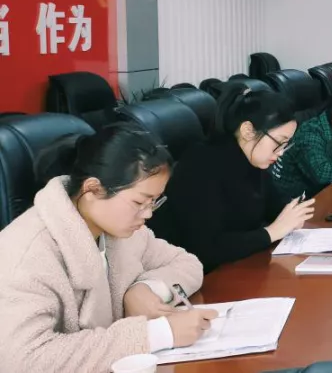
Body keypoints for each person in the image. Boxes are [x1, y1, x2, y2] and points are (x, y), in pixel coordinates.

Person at [0, 125, 216, 372]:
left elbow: (187, 263)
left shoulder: (121, 230)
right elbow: (21, 360)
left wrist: (144, 289)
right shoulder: (27, 254)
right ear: (93, 189)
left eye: (153, 202)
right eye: (139, 201)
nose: (148, 214)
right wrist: (155, 335)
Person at [150, 87, 315, 273]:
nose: (281, 152)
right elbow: (206, 248)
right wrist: (272, 232)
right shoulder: (201, 165)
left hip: (237, 266)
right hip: (196, 275)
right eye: (279, 142)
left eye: (286, 144)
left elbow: (273, 206)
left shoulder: (252, 160)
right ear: (248, 131)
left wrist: (291, 215)